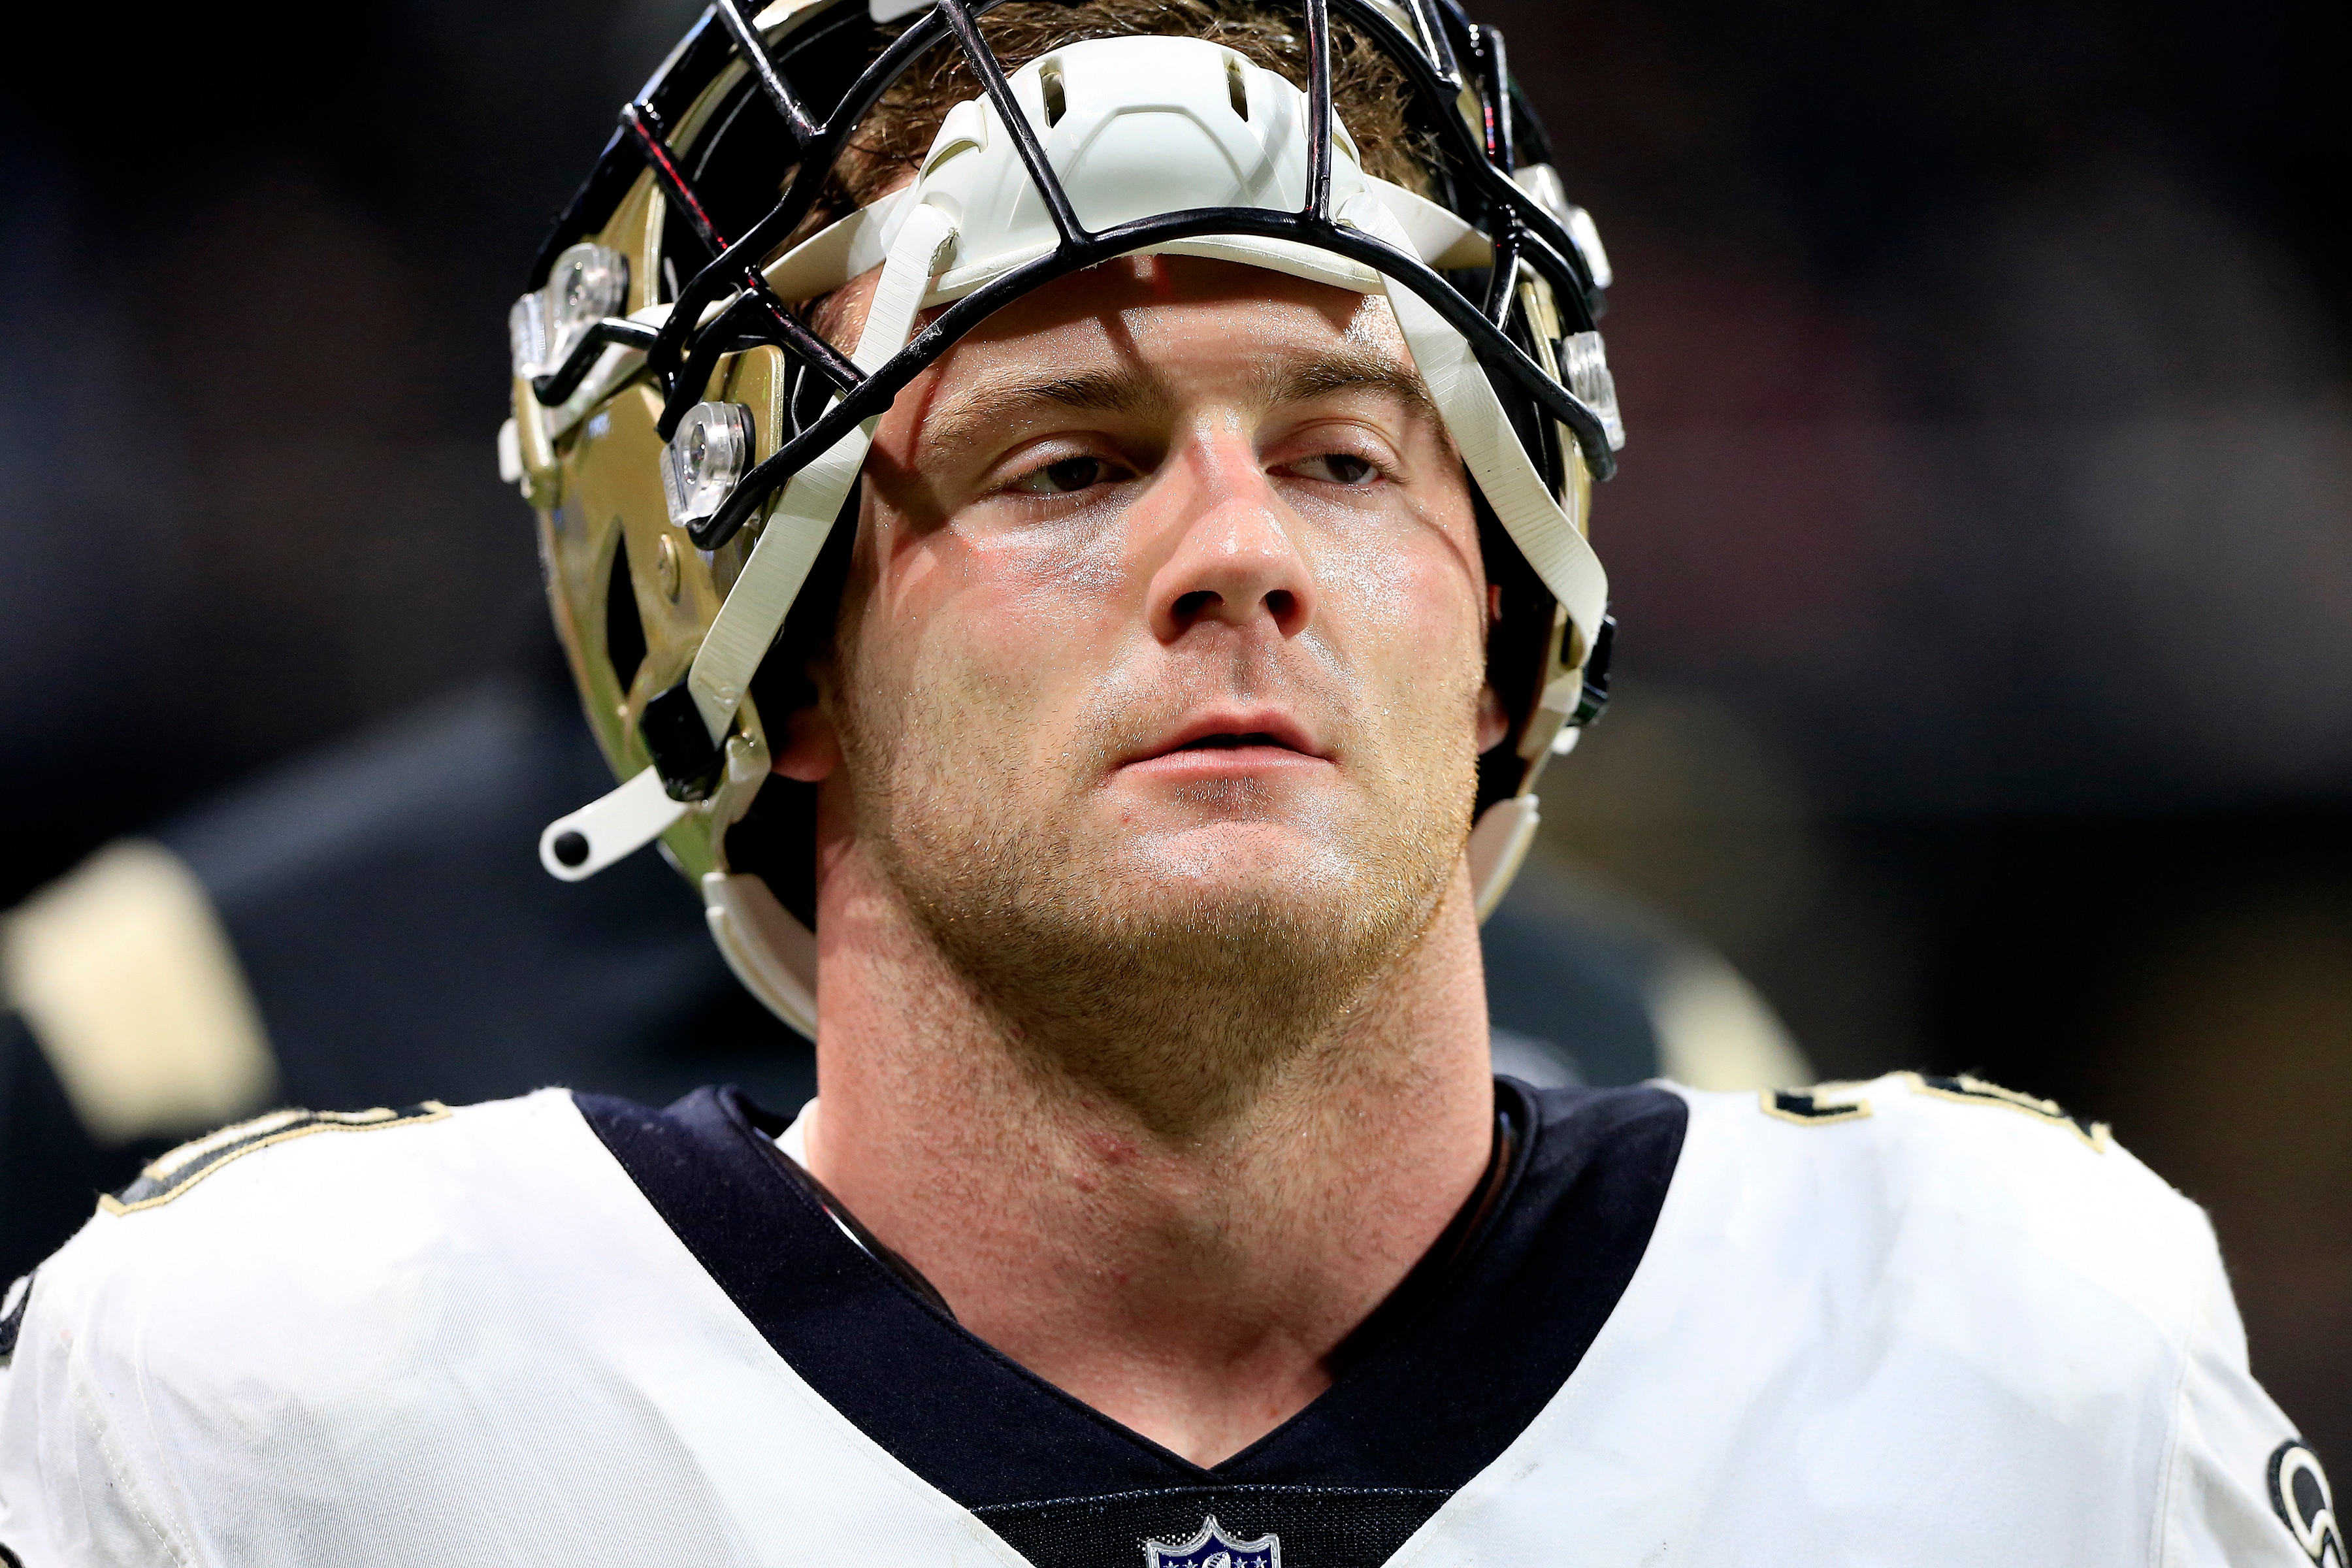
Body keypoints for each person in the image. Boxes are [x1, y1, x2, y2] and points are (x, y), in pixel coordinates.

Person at [0, 1, 2327, 1563]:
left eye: (1340, 450)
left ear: (1510, 623)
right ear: (775, 662)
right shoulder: (285, 1410)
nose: (1238, 558)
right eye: (1064, 463)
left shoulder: (2016, 1350)